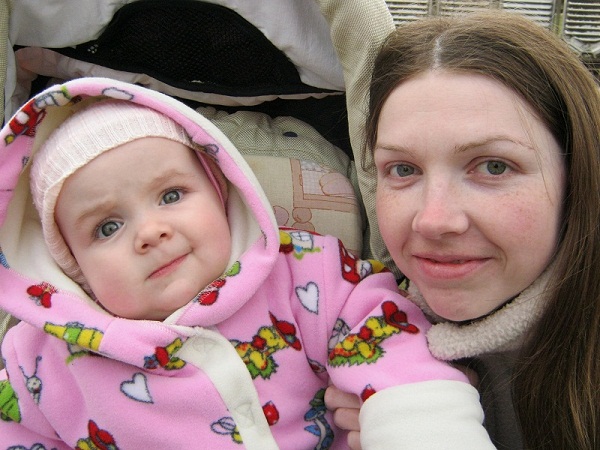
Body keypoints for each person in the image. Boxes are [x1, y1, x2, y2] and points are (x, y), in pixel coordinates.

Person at [0, 77, 493, 449]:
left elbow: (386, 336)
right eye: (108, 227)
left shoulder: (304, 272)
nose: (151, 232)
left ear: (221, 192)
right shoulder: (39, 359)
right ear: (71, 265)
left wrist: (417, 418)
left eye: (171, 195)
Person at [317, 6, 600, 450]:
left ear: (576, 174)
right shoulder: (355, 335)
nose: (434, 220)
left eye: (493, 166)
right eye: (403, 169)